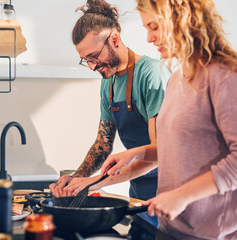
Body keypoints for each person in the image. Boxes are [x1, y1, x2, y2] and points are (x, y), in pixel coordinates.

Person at [100, 0, 237, 239]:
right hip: (172, 229)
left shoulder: (226, 77)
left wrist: (181, 196)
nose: (149, 38)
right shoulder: (176, 79)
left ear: (183, 20)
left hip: (218, 234)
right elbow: (175, 150)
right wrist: (135, 154)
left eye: (154, 27)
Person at [49, 0, 171, 227]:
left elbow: (159, 153)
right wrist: (76, 179)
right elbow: (102, 144)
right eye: (87, 60)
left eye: (94, 56)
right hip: (139, 195)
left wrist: (95, 182)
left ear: (114, 39)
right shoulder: (109, 83)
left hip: (169, 194)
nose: (93, 66)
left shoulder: (151, 75)